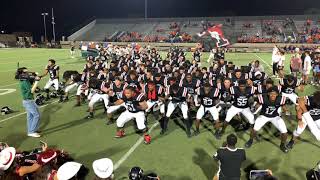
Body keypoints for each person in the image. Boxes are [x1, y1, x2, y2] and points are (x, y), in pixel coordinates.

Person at [245, 87, 289, 153]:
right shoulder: (263, 98)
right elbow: (257, 105)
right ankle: (250, 140)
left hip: (275, 117)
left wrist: (286, 111)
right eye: (271, 94)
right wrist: (254, 108)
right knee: (254, 130)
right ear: (268, 93)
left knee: (285, 133)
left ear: (277, 94)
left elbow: (284, 107)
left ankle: (282, 145)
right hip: (264, 116)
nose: (273, 95)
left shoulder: (281, 99)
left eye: (275, 94)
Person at [16, 67, 41, 138]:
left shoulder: (25, 80)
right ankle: (31, 132)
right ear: (22, 74)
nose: (28, 73)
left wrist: (34, 76)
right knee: (36, 115)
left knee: (30, 116)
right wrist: (36, 81)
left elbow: (31, 78)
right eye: (25, 72)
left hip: (29, 100)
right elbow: (32, 91)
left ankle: (32, 130)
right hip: (28, 101)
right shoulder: (24, 82)